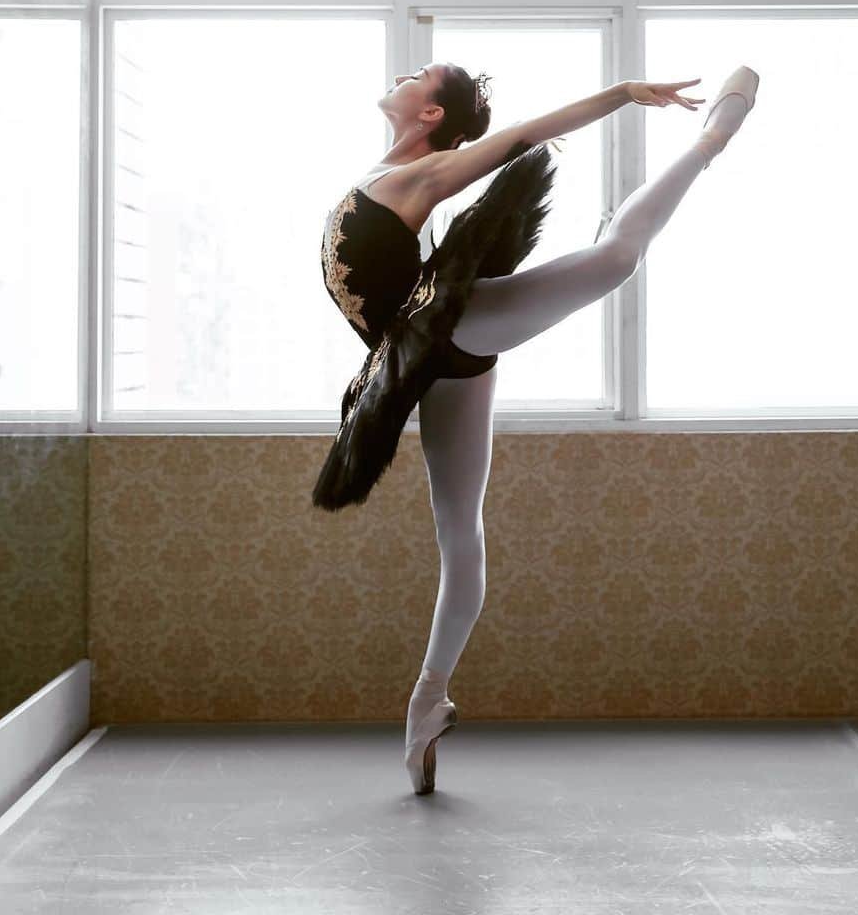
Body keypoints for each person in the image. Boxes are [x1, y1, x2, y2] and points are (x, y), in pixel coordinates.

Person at [315, 60, 759, 793]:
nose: (406, 73)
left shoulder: (422, 176)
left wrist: (623, 94)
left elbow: (527, 135)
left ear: (431, 115)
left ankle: (711, 141)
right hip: (430, 358)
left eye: (422, 75)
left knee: (616, 256)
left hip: (459, 324)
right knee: (461, 537)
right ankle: (428, 701)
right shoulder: (380, 171)